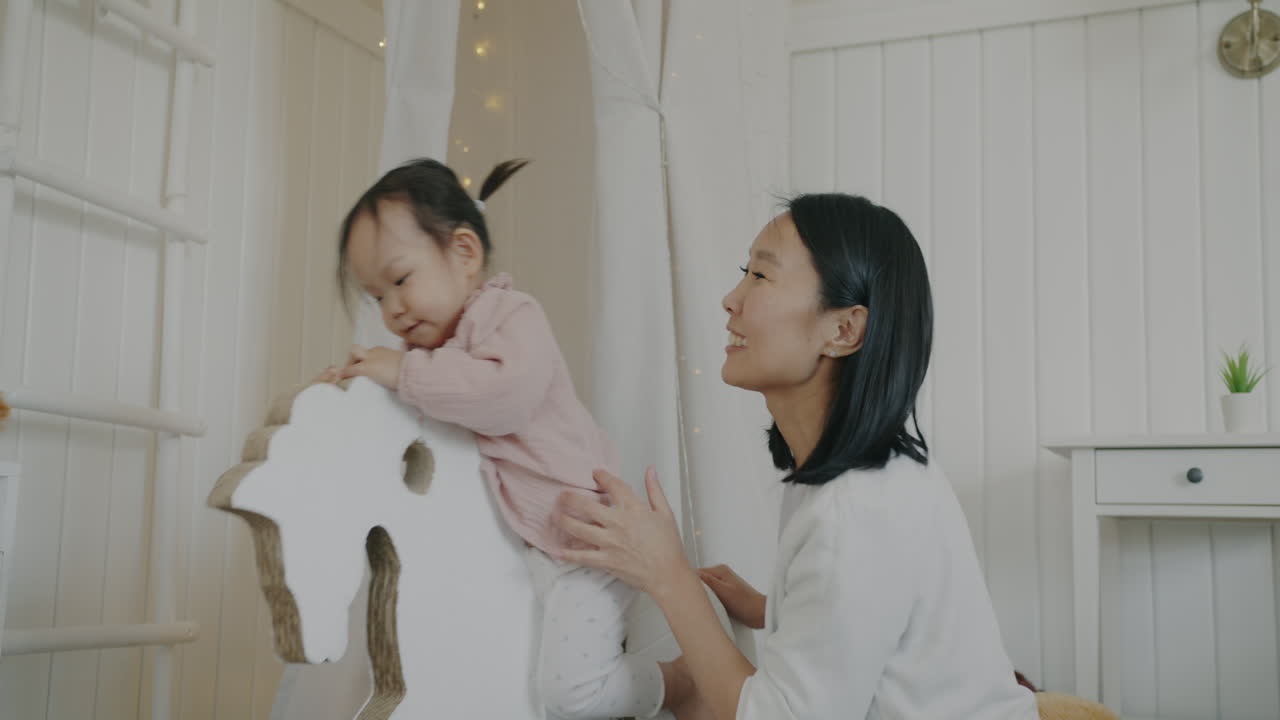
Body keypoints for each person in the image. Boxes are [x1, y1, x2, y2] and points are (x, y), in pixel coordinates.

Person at [554, 193, 1040, 720]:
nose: (730, 299)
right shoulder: (864, 476)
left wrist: (666, 573)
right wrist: (772, 609)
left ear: (843, 330)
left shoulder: (858, 512)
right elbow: (877, 617)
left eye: (760, 277)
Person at [324, 157, 668, 719]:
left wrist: (400, 373)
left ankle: (672, 684)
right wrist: (350, 385)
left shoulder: (510, 316)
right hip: (528, 550)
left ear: (465, 253)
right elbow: (411, 419)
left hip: (589, 544)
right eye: (376, 297)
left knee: (569, 695)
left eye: (401, 280)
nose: (392, 309)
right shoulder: (429, 358)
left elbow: (499, 396)